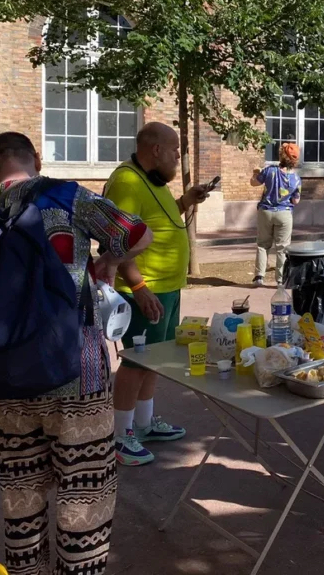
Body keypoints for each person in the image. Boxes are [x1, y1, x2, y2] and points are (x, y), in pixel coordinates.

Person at [0, 132, 153, 575]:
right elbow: (139, 234)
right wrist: (109, 263)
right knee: (85, 495)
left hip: (7, 377)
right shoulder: (67, 198)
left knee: (21, 495)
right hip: (77, 372)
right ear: (36, 160)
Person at [104, 122, 212, 467]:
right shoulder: (126, 182)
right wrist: (138, 286)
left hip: (166, 288)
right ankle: (120, 437)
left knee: (156, 359)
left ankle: (145, 424)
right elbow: (115, 242)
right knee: (136, 363)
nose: (178, 157)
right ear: (156, 150)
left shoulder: (153, 180)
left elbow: (155, 223)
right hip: (144, 290)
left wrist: (185, 201)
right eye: (176, 150)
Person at [250, 143, 302, 286]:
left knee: (262, 245)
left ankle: (259, 277)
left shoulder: (269, 171)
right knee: (282, 248)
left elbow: (253, 183)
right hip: (284, 214)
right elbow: (296, 200)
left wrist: (255, 173)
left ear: (281, 155)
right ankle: (280, 280)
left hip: (265, 211)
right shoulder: (296, 179)